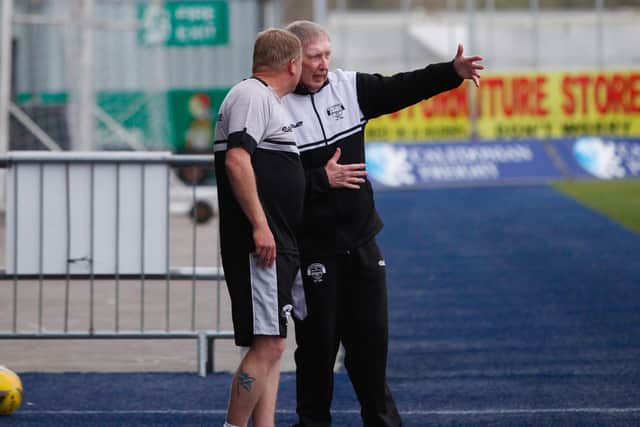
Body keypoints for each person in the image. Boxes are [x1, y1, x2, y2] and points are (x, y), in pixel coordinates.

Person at [282, 20, 484, 427]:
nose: (324, 64)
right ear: (292, 61)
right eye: (314, 57)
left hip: (362, 243)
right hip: (313, 253)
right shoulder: (272, 106)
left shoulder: (348, 87)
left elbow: (401, 87)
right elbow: (271, 184)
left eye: (327, 54)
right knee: (317, 353)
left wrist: (451, 72)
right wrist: (323, 179)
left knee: (371, 349)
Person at [213, 28, 304, 427]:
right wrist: (260, 226)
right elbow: (237, 160)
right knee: (267, 344)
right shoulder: (251, 95)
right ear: (292, 65)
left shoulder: (267, 100)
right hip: (260, 245)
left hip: (275, 242)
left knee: (273, 344)